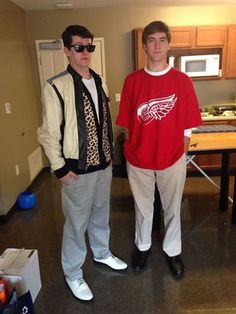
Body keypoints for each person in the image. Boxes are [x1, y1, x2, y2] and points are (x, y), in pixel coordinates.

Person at [37, 24, 127, 302]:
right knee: (76, 224)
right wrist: (61, 169)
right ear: (67, 50)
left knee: (101, 216)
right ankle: (73, 273)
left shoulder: (99, 80)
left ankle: (101, 254)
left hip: (103, 166)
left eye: (89, 46)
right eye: (79, 47)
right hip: (76, 170)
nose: (85, 52)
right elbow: (48, 133)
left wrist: (110, 152)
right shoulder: (55, 85)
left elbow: (102, 120)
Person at [116, 21, 202, 279]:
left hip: (172, 157)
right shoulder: (132, 81)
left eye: (161, 40)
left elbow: (189, 124)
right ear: (144, 46)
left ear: (168, 44)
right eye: (151, 40)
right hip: (139, 158)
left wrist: (182, 152)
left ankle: (173, 251)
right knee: (143, 208)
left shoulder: (182, 81)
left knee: (172, 207)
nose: (156, 45)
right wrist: (133, 148)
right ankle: (142, 247)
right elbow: (128, 123)